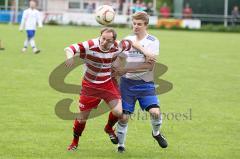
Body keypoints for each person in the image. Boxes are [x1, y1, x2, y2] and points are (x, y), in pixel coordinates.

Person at [65, 28, 149, 151]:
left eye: (108, 40)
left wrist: (145, 52)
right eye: (103, 38)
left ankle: (109, 128)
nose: (104, 42)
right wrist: (69, 57)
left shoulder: (117, 46)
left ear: (114, 41)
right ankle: (74, 142)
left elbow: (132, 43)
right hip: (90, 87)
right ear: (100, 36)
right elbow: (70, 48)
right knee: (82, 118)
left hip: (107, 84)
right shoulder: (90, 45)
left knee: (119, 112)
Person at [112, 11, 168, 153]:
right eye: (134, 23)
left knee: (155, 112)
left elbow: (149, 66)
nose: (136, 26)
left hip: (145, 83)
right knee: (124, 117)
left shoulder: (152, 41)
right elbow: (119, 57)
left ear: (146, 25)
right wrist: (117, 66)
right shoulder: (127, 40)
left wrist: (126, 70)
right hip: (127, 84)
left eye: (139, 24)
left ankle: (156, 133)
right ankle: (121, 146)